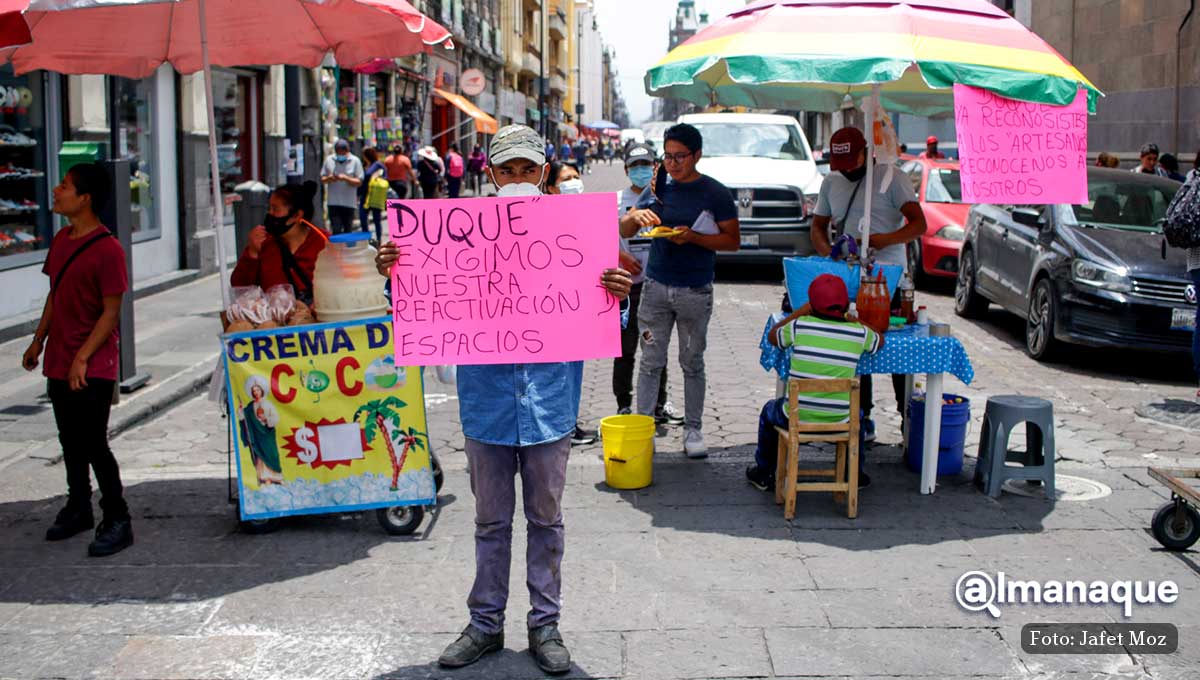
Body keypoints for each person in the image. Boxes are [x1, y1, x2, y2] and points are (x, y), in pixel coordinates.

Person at [375, 124, 632, 674]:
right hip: (487, 406)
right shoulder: (456, 233)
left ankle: (545, 624)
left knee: (547, 520)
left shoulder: (578, 232)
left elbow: (605, 319)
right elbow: (422, 303)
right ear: (490, 175)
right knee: (490, 523)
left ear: (543, 173)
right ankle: (485, 624)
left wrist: (618, 295)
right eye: (506, 169)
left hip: (549, 405)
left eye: (526, 169)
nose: (517, 178)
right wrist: (396, 274)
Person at [22, 162, 133, 557]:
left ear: (84, 198)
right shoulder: (62, 240)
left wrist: (83, 357)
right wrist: (38, 341)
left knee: (92, 442)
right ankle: (78, 505)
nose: (56, 189)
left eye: (65, 185)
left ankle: (117, 516)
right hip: (58, 358)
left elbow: (110, 311)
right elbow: (56, 293)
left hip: (93, 365)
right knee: (69, 439)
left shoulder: (109, 249)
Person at [618, 123, 740, 458]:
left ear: (697, 155)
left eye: (679, 157)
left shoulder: (715, 193)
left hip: (694, 290)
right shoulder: (659, 189)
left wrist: (693, 238)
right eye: (667, 157)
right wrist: (635, 218)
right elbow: (625, 226)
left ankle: (694, 431)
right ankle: (644, 431)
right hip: (655, 287)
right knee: (650, 361)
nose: (672, 164)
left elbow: (732, 241)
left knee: (692, 361)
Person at [809, 126, 926, 444]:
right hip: (847, 278)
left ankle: (909, 421)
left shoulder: (892, 177)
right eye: (840, 162)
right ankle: (862, 418)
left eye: (850, 161)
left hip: (889, 279)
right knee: (853, 346)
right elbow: (818, 225)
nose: (845, 168)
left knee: (898, 353)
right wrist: (826, 253)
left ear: (865, 153)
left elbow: (918, 224)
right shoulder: (831, 181)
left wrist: (878, 241)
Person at [746, 274, 883, 491]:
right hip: (841, 419)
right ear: (846, 303)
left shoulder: (799, 326)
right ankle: (855, 474)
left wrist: (799, 312)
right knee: (859, 413)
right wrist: (855, 320)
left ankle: (764, 472)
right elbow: (879, 340)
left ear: (811, 304)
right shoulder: (858, 333)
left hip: (797, 417)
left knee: (769, 411)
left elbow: (773, 337)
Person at [614, 143, 680, 425]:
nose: (640, 170)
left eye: (646, 165)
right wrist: (621, 257)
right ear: (627, 169)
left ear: (655, 167)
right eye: (635, 165)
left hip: (658, 286)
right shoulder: (616, 200)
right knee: (625, 349)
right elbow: (599, 236)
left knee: (656, 347)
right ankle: (624, 404)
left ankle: (658, 404)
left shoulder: (665, 197)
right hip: (628, 288)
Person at [231, 181, 326, 306]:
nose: (270, 214)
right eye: (269, 208)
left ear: (297, 215)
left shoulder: (324, 242)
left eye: (275, 209)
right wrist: (252, 253)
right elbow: (239, 287)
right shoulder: (263, 244)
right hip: (274, 321)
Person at [239, 375, 283, 486]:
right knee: (260, 458)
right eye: (253, 391)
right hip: (257, 437)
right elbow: (244, 418)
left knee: (271, 454)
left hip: (267, 435)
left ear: (262, 390)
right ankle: (263, 478)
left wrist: (266, 419)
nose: (256, 392)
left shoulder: (268, 404)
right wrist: (240, 411)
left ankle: (275, 477)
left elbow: (275, 418)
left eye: (257, 390)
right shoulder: (250, 407)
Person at [320, 139, 364, 234]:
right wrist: (330, 178)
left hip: (349, 203)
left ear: (347, 151)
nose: (340, 155)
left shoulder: (355, 161)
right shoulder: (329, 160)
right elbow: (322, 178)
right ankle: (337, 249)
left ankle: (347, 249)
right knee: (336, 230)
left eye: (342, 152)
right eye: (338, 152)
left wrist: (345, 178)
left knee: (348, 230)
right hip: (333, 202)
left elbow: (359, 181)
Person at [359, 147, 387, 240]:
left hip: (375, 196)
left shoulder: (377, 165)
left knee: (377, 220)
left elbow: (384, 177)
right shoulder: (365, 165)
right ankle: (366, 240)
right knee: (363, 219)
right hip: (365, 195)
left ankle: (378, 240)